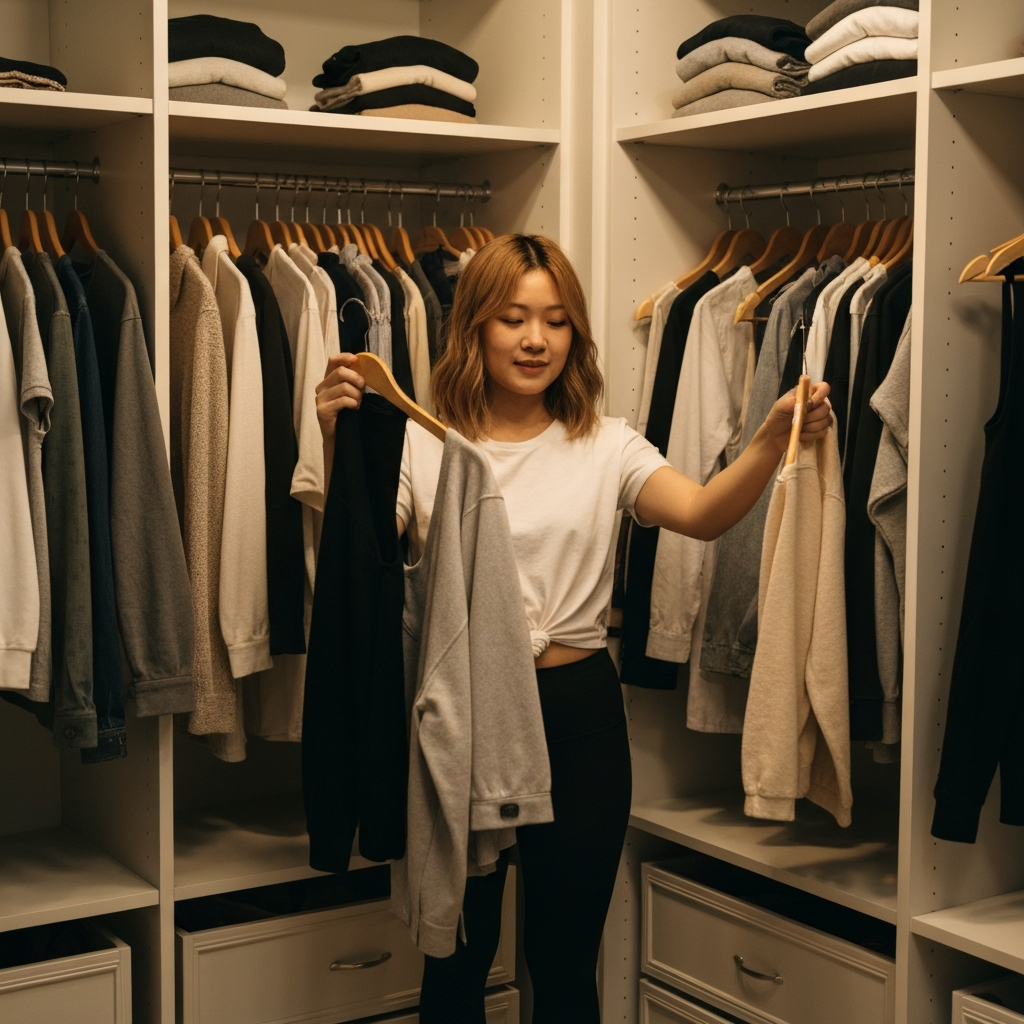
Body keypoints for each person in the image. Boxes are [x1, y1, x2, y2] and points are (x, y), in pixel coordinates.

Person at [315, 234, 831, 1024]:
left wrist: (767, 440)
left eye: (556, 321)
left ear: (575, 334)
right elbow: (363, 558)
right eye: (513, 318)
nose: (534, 340)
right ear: (477, 327)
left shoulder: (606, 443)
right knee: (455, 961)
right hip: (470, 717)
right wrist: (338, 439)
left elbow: (699, 515)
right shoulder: (423, 443)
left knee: (561, 969)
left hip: (577, 719)